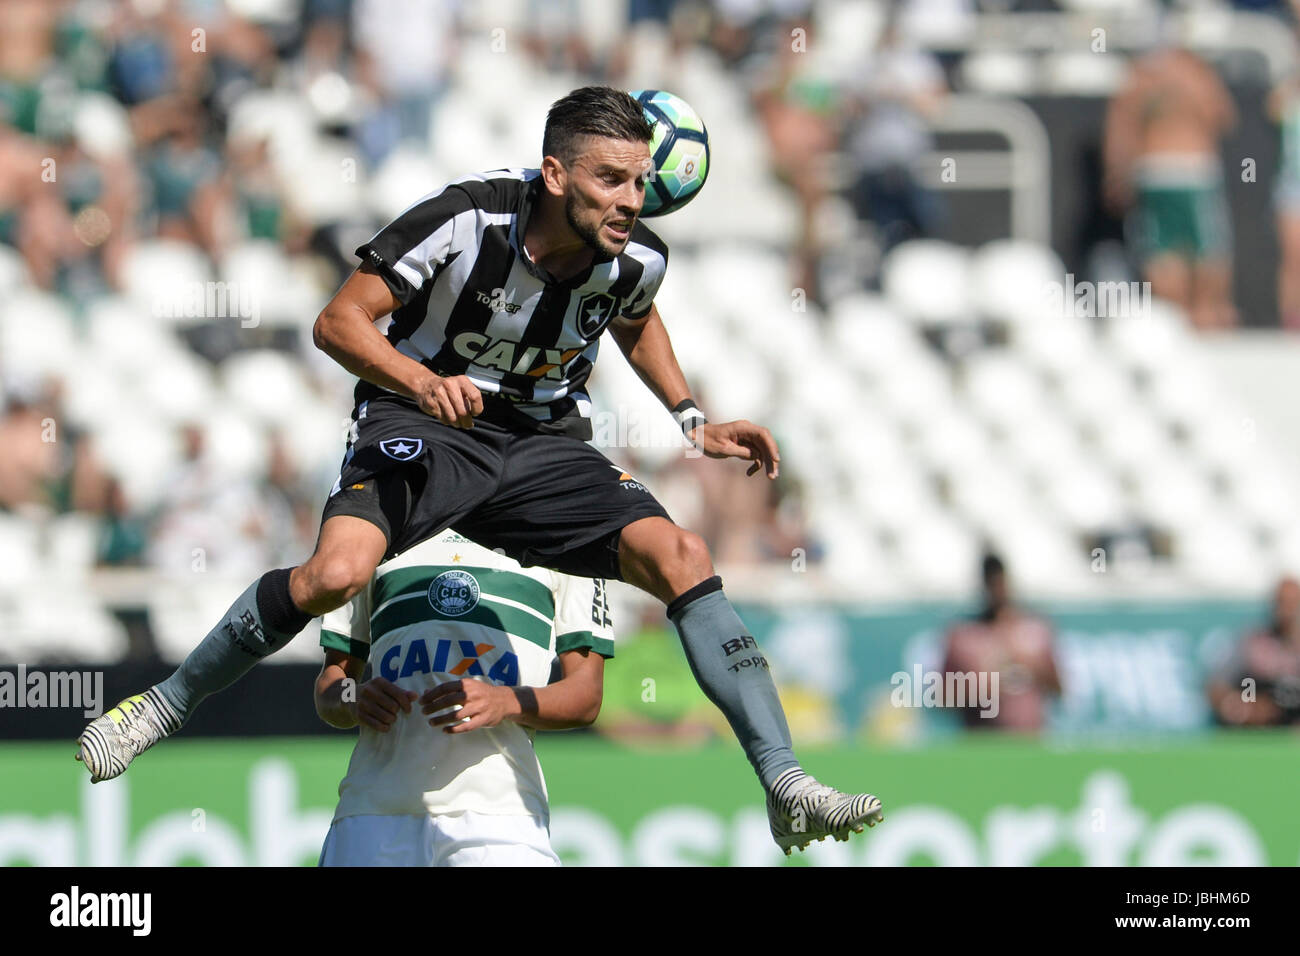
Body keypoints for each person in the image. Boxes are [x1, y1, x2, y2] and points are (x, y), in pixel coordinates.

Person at [76, 86, 882, 853]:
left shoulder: (633, 255)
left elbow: (631, 316)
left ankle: (784, 782)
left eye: (640, 181)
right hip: (425, 421)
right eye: (610, 179)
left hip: (544, 448)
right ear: (556, 174)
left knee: (684, 558)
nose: (632, 200)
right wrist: (421, 381)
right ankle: (164, 705)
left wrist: (691, 417)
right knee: (334, 574)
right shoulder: (466, 219)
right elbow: (337, 321)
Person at [314, 529, 608, 867]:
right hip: (372, 813)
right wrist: (353, 699)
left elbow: (586, 696)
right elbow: (332, 684)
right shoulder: (377, 528)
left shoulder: (566, 530)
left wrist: (506, 702)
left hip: (501, 816)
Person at [1103, 33, 1237, 329]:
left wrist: (1116, 175)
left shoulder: (1136, 78)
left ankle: (1176, 322)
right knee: (1205, 250)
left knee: (1162, 251)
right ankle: (1202, 318)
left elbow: (1118, 134)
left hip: (1154, 170)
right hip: (1192, 170)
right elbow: (1222, 117)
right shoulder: (1194, 74)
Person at [941, 553, 1061, 733]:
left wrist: (1029, 667)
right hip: (982, 745)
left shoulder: (1035, 632)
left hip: (1030, 743)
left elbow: (1059, 687)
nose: (997, 590)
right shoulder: (964, 636)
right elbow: (941, 697)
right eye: (991, 583)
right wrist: (981, 687)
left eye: (1000, 582)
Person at [1207, 576, 1300, 727]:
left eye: (1292, 603)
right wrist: (1242, 708)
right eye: (1282, 603)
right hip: (1257, 730)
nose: (1286, 611)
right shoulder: (1252, 642)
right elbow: (1217, 687)